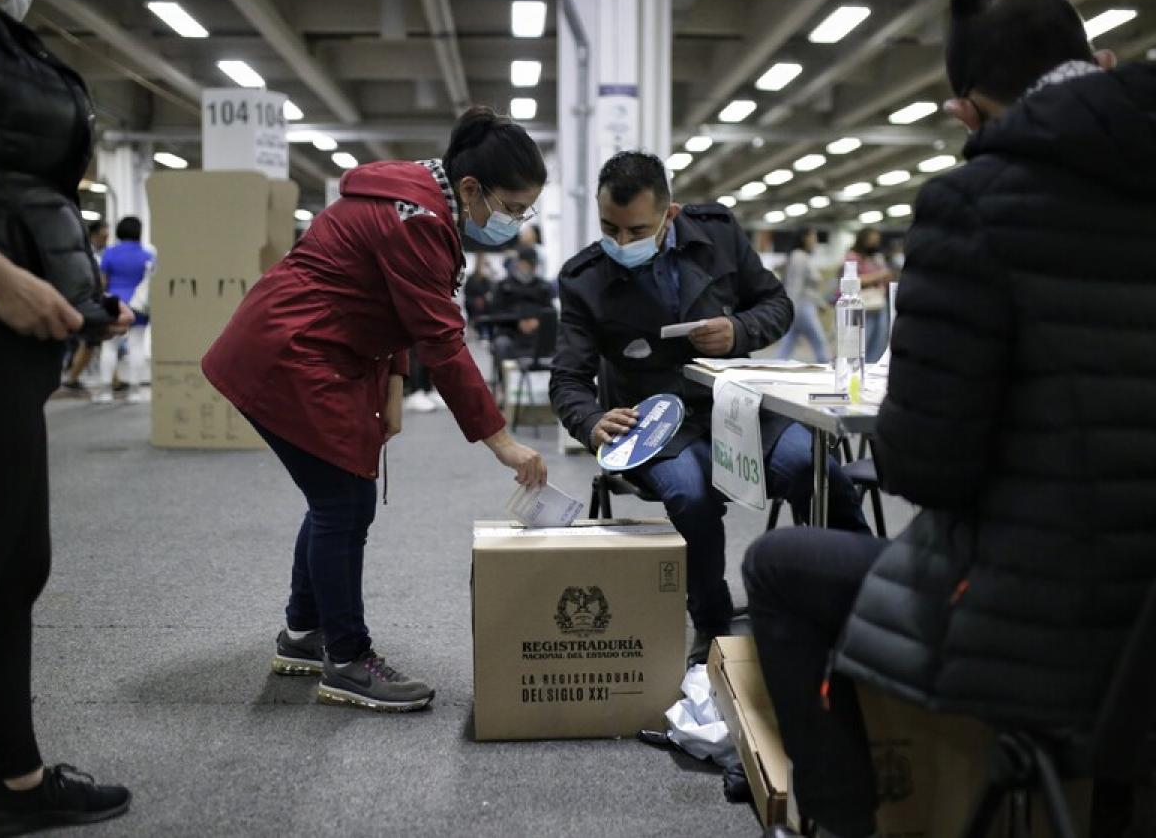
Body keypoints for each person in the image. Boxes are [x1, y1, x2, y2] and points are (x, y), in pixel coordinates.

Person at [742, 0, 1156, 838]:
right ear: (1099, 62)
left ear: (966, 112)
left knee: (779, 567)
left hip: (1070, 625)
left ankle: (845, 825)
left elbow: (928, 465)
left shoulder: (975, 206)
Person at [202, 106, 548, 712]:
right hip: (291, 352)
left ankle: (305, 634)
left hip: (314, 349)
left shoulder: (418, 202)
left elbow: (393, 310)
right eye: (513, 208)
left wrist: (391, 390)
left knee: (335, 496)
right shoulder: (416, 219)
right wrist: (502, 441)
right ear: (472, 189)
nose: (515, 223)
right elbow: (441, 340)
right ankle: (346, 659)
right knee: (343, 500)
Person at [549, 151, 869, 665]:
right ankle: (713, 625)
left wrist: (740, 331)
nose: (622, 242)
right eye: (610, 228)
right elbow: (567, 377)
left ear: (670, 214)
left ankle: (859, 604)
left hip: (739, 408)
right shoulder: (584, 277)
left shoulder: (718, 233)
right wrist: (590, 421)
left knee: (817, 470)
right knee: (691, 497)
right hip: (655, 422)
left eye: (637, 230)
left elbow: (777, 305)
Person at [0, 0, 133, 834]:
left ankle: (16, 785)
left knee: (7, 567)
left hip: (4, 336)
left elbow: (12, 185)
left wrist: (78, 298)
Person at [93, 215, 154, 404]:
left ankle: (105, 392)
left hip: (114, 303)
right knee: (137, 345)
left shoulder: (110, 254)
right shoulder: (147, 255)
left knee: (109, 346)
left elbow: (102, 282)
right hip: (139, 306)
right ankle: (135, 392)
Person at [490, 244, 556, 391]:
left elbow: (550, 313)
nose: (529, 267)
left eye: (532, 264)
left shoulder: (543, 287)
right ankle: (505, 387)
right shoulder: (503, 286)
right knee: (501, 345)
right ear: (519, 263)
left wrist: (538, 321)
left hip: (537, 336)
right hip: (510, 334)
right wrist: (517, 322)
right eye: (526, 263)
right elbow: (495, 314)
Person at [62, 219, 110, 391]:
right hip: (87, 302)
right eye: (103, 235)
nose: (106, 239)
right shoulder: (87, 254)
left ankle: (113, 379)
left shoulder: (102, 253)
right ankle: (72, 377)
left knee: (93, 343)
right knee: (90, 342)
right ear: (94, 235)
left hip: (93, 302)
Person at [776, 229, 828, 363]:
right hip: (801, 308)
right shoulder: (799, 256)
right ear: (804, 238)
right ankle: (827, 368)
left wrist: (820, 303)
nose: (815, 241)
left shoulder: (802, 256)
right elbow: (795, 285)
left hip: (803, 305)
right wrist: (790, 309)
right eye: (813, 237)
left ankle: (777, 366)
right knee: (819, 341)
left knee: (788, 343)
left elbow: (809, 288)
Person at [844, 227, 893, 362]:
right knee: (863, 339)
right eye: (872, 240)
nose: (875, 243)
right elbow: (853, 280)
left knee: (880, 339)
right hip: (862, 304)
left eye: (877, 240)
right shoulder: (852, 256)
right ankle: (860, 366)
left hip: (880, 302)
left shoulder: (877, 258)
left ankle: (873, 366)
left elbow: (887, 276)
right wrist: (878, 275)